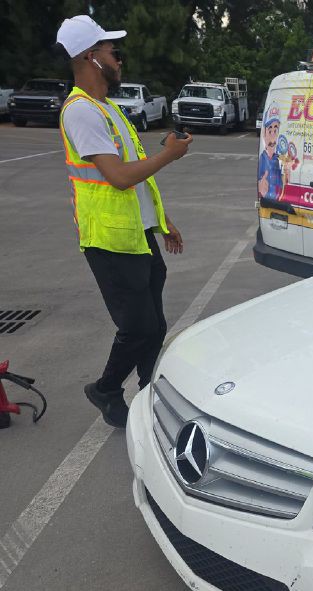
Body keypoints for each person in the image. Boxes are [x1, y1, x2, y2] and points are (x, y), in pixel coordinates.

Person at [55, 15, 192, 428]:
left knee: (155, 324)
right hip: (109, 240)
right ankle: (106, 389)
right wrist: (169, 155)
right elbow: (117, 178)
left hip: (137, 235)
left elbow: (133, 174)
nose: (120, 58)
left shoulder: (109, 108)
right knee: (138, 328)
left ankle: (150, 396)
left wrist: (162, 220)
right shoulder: (81, 112)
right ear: (90, 58)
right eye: (114, 52)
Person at [257, 106, 283, 199]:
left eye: (275, 131)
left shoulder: (279, 159)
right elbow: (261, 180)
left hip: (278, 200)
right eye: (270, 131)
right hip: (268, 199)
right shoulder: (263, 158)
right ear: (264, 134)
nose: (273, 136)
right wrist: (262, 183)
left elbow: (282, 183)